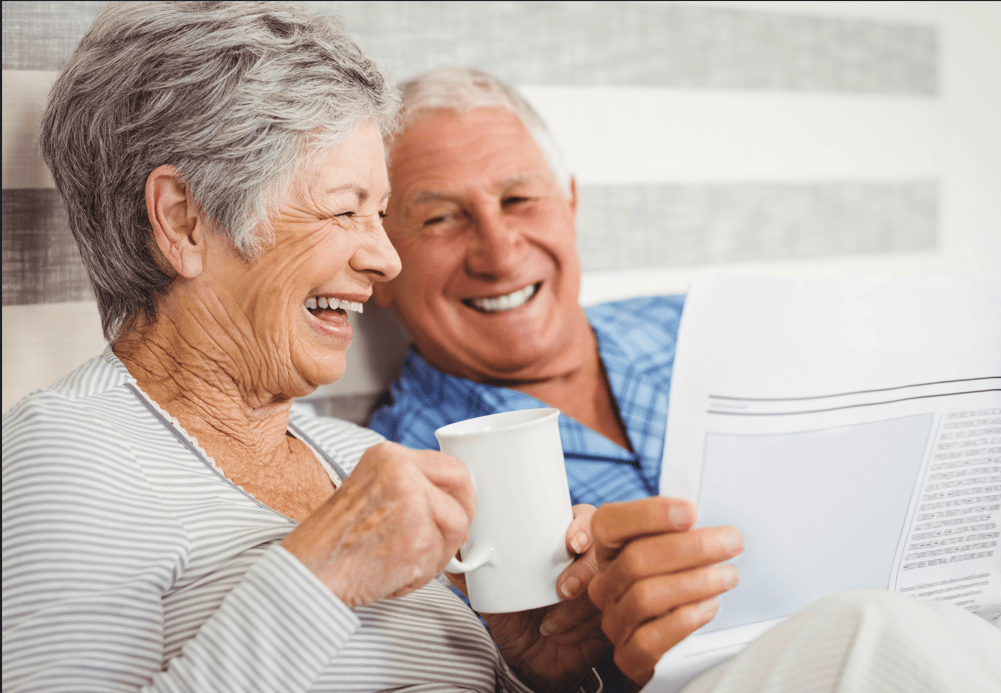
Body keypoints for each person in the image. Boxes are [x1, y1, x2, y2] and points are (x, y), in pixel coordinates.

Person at [368, 67, 1001, 690]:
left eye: (519, 198)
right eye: (439, 218)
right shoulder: (401, 477)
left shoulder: (715, 324)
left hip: (966, 650)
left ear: (570, 206)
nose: (498, 250)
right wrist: (565, 665)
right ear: (383, 262)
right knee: (880, 629)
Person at [1, 6, 615, 692]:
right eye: (343, 209)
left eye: (379, 216)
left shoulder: (354, 459)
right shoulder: (70, 449)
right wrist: (324, 573)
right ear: (183, 220)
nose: (385, 258)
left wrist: (536, 670)